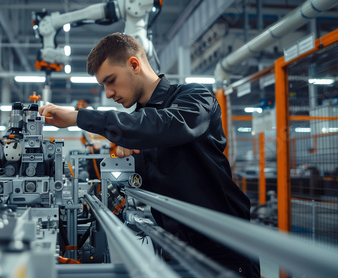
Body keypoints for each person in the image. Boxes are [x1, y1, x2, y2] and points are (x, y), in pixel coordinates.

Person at [39, 32, 260, 277]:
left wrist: (79, 116)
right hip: (175, 248)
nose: (109, 93)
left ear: (134, 64)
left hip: (224, 248)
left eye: (111, 80)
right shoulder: (138, 129)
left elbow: (164, 125)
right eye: (103, 85)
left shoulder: (196, 97)